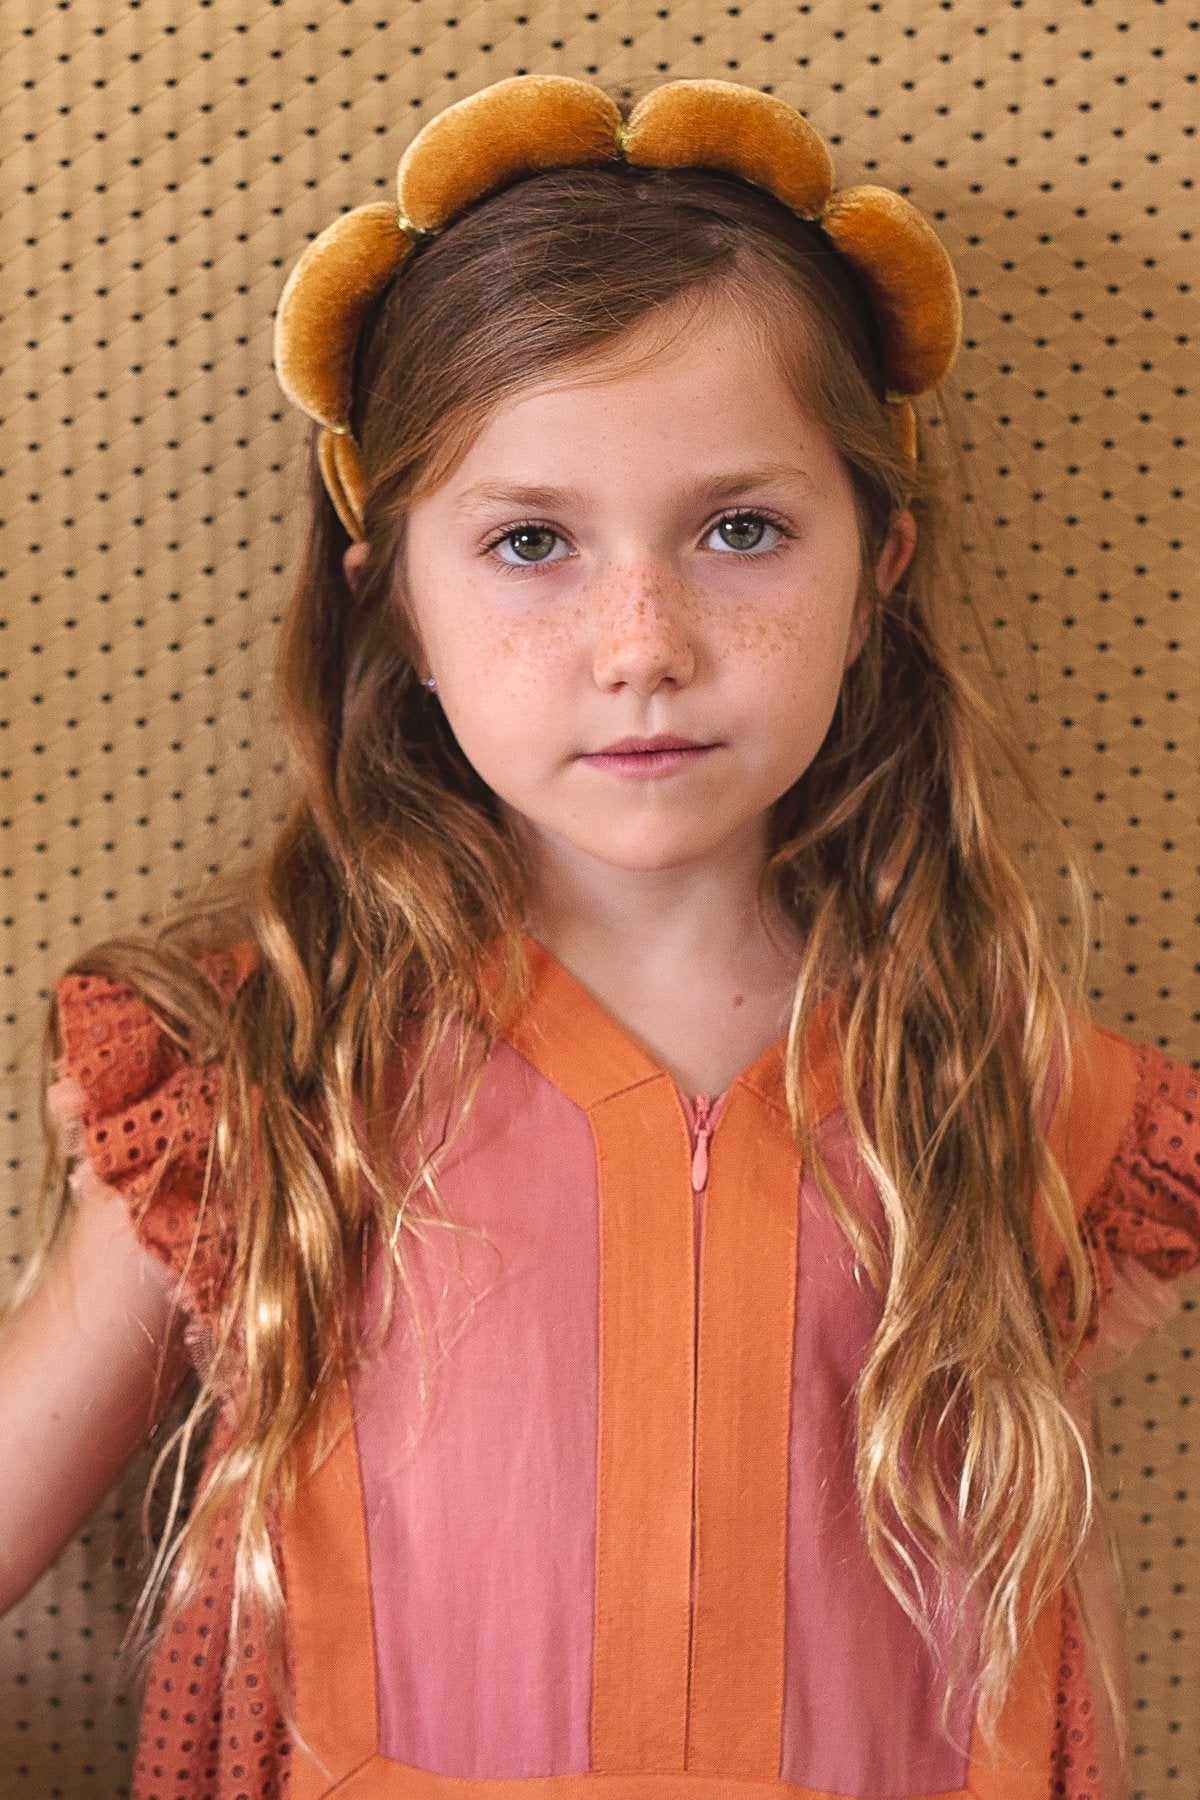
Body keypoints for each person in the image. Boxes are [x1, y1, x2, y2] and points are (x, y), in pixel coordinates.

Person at [1, 71, 1196, 1800]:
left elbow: (1040, 1659)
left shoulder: (1002, 1085)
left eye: (741, 529)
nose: (643, 641)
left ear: (878, 568)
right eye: (531, 542)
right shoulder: (256, 1075)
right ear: (394, 597)